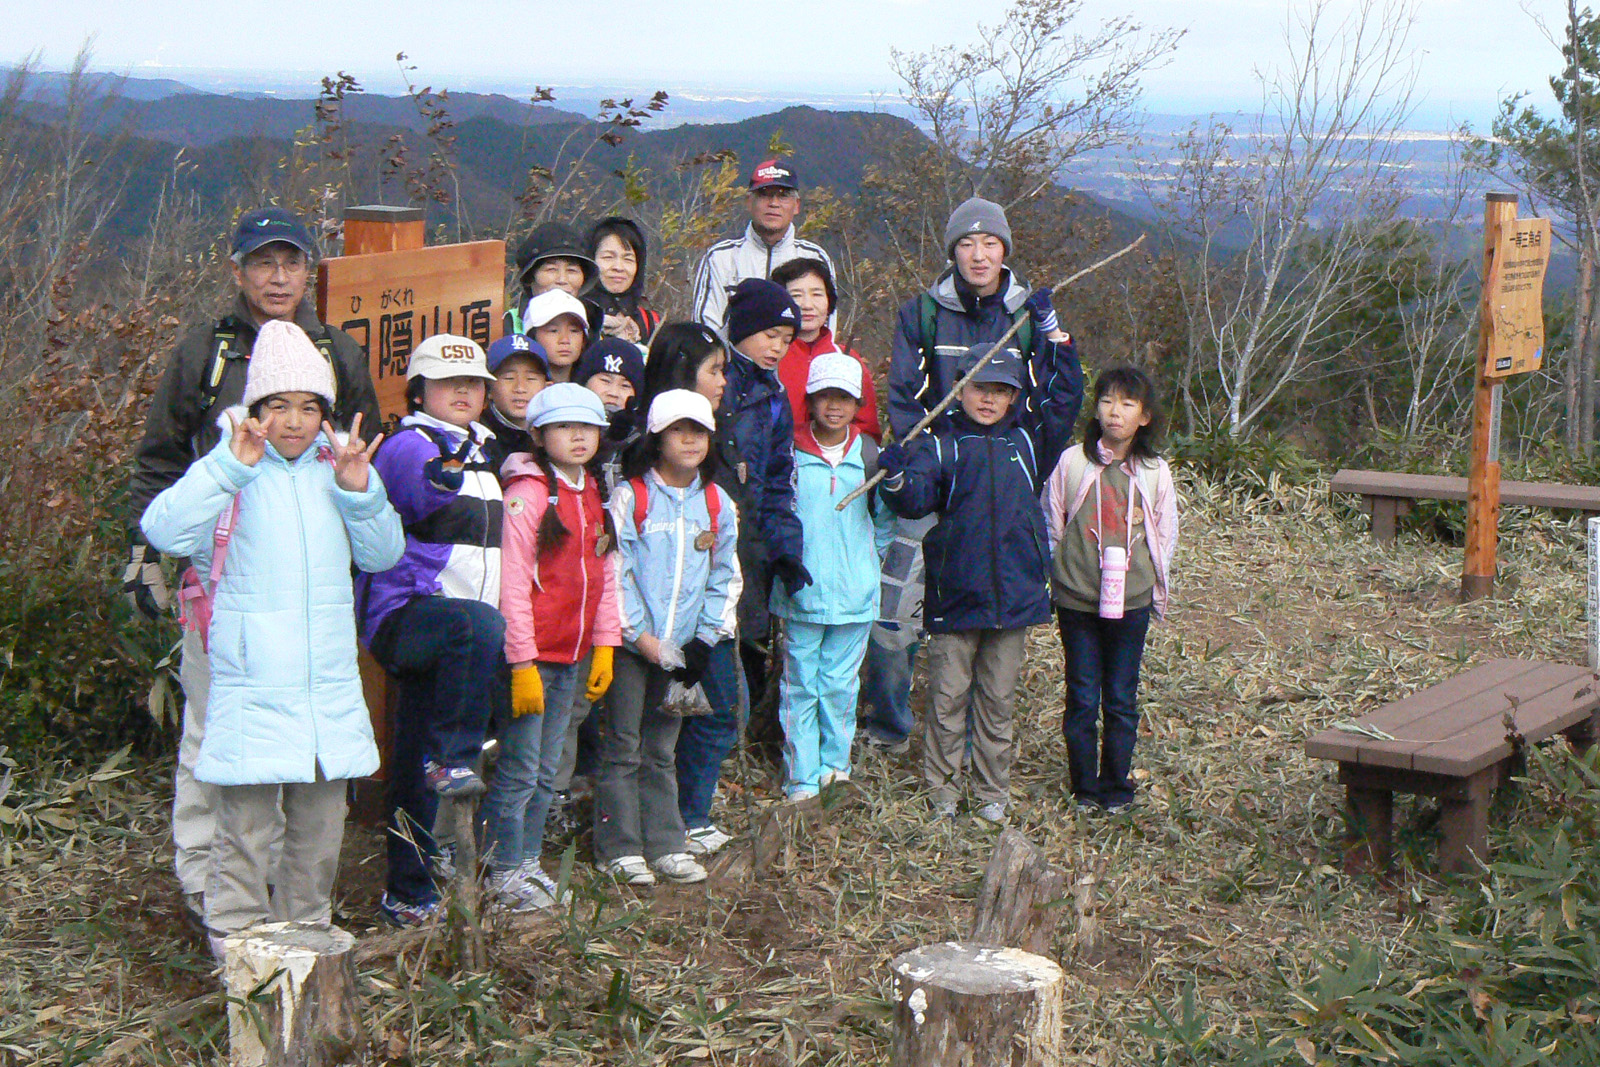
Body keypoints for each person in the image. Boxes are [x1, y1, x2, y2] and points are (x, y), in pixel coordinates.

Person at [125, 206, 380, 923]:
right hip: (222, 582)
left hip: (308, 584)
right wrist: (146, 551)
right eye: (263, 263)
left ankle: (279, 910)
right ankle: (208, 887)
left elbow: (361, 443)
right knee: (215, 732)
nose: (278, 276)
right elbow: (161, 458)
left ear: (309, 270)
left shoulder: (335, 350)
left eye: (291, 262)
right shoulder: (206, 350)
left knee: (291, 753)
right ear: (237, 271)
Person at [863, 195, 1083, 755]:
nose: (978, 255)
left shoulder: (1024, 316)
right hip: (934, 475)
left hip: (1000, 485)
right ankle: (890, 727)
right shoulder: (924, 313)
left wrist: (1056, 337)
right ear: (953, 251)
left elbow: (1045, 404)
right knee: (897, 615)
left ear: (1005, 249)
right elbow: (906, 400)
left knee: (990, 606)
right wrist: (924, 467)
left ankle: (979, 742)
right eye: (966, 243)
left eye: (990, 243)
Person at [876, 343, 1080, 823]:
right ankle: (942, 792)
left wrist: (1056, 343)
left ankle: (992, 792)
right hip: (954, 596)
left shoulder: (1029, 443)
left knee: (997, 700)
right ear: (958, 389)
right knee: (947, 699)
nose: (988, 400)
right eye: (979, 388)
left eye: (1001, 390)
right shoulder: (940, 443)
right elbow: (915, 500)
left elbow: (1065, 400)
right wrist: (895, 479)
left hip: (1015, 597)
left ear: (1014, 397)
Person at [356, 334, 506, 926]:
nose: (465, 392)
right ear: (420, 391)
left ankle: (409, 890)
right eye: (449, 383)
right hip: (409, 613)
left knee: (413, 756)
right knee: (438, 759)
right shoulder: (410, 445)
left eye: (473, 383)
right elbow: (418, 493)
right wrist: (450, 470)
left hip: (459, 636)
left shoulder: (480, 448)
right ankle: (454, 759)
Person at [597, 389, 741, 886]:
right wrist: (640, 637)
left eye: (699, 431)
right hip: (633, 647)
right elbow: (617, 571)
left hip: (684, 651)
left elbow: (726, 574)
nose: (690, 440)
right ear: (657, 437)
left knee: (662, 747)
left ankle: (666, 843)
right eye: (679, 430)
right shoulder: (631, 496)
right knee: (622, 744)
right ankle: (619, 847)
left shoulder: (717, 501)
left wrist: (702, 642)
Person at [486, 384, 620, 910]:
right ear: (539, 435)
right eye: (565, 428)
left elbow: (606, 575)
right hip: (534, 655)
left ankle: (525, 862)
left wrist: (605, 644)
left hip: (574, 650)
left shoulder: (592, 490)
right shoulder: (530, 492)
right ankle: (500, 872)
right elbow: (513, 582)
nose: (578, 437)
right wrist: (519, 660)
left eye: (587, 427)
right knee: (519, 769)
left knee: (547, 770)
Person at [1041, 367, 1177, 813]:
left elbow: (1166, 533)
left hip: (1131, 599)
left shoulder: (1155, 471)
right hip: (1077, 599)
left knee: (1120, 696)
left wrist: (1154, 585)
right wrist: (1062, 573)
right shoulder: (1073, 462)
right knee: (1082, 694)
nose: (1114, 412)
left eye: (1127, 404)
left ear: (1145, 417)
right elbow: (1052, 522)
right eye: (1106, 401)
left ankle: (1117, 787)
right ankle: (1084, 788)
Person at [634, 323, 744, 854]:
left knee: (716, 710)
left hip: (708, 620)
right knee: (652, 731)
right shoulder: (640, 473)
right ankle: (670, 823)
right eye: (714, 370)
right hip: (647, 629)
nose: (724, 381)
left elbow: (725, 560)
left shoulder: (713, 478)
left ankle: (688, 815)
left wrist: (710, 630)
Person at [770, 353, 889, 800]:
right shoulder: (790, 451)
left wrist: (865, 561)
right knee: (800, 682)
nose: (834, 406)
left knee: (840, 684)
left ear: (857, 401)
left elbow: (885, 520)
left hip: (856, 592)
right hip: (802, 589)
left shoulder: (871, 453)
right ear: (810, 400)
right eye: (825, 397)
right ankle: (801, 775)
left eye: (844, 397)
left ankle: (835, 768)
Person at [719, 279, 811, 757]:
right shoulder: (713, 380)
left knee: (751, 636)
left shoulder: (774, 397)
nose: (778, 347)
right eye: (771, 334)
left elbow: (779, 480)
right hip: (706, 535)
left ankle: (735, 746)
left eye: (787, 340)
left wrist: (786, 549)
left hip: (751, 537)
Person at [690, 157, 836, 330]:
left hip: (802, 358)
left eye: (783, 196)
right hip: (731, 357)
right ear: (749, 202)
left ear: (796, 206)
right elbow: (706, 329)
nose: (773, 203)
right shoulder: (721, 258)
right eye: (764, 194)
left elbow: (825, 330)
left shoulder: (814, 258)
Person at [771, 257, 880, 443]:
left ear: (829, 300)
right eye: (796, 295)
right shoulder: (770, 356)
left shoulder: (847, 358)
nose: (807, 305)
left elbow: (867, 429)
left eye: (817, 294)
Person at [506, 221, 597, 334]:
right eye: (551, 269)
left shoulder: (596, 327)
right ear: (530, 278)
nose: (562, 280)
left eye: (571, 270)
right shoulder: (507, 326)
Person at [481, 333, 550, 475]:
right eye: (509, 378)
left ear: (547, 387)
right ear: (488, 389)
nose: (520, 388)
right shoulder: (481, 440)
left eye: (531, 378)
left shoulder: (554, 434)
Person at [586, 216, 662, 344]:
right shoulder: (574, 317)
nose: (618, 267)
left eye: (628, 259)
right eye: (608, 257)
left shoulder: (650, 322)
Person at [525, 289, 591, 384]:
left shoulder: (591, 390)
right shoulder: (522, 391)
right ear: (532, 337)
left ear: (584, 340)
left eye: (574, 331)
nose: (565, 340)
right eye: (553, 331)